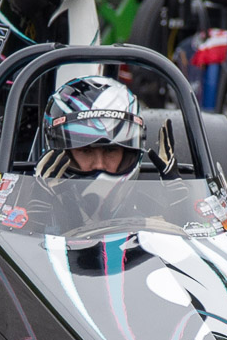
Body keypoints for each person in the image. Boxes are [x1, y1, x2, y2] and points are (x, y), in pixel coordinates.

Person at [34, 76, 148, 229]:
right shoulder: (27, 213)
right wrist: (36, 220)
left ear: (129, 153)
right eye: (86, 150)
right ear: (61, 154)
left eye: (110, 150)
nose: (99, 164)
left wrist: (176, 208)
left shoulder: (152, 223)